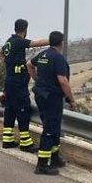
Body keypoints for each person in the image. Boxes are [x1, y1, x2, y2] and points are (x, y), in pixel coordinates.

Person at [27, 31, 77, 175]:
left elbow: (29, 65)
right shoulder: (58, 58)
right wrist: (72, 100)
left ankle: (54, 158)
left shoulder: (43, 55)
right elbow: (63, 81)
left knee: (54, 128)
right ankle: (42, 165)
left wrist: (37, 80)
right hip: (52, 98)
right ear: (61, 43)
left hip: (41, 95)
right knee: (50, 129)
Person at [0, 19, 49, 152]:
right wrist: (53, 40)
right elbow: (35, 43)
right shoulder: (18, 41)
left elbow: (1, 53)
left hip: (9, 82)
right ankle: (26, 143)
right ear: (25, 30)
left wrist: (7, 64)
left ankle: (8, 140)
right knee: (23, 109)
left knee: (10, 110)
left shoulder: (9, 41)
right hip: (17, 84)